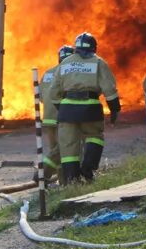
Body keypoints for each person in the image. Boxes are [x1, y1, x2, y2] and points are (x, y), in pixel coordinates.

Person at [51, 32, 119, 184]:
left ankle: (72, 180)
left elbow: (53, 93)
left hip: (67, 111)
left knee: (68, 147)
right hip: (91, 110)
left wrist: (62, 108)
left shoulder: (65, 63)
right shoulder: (98, 62)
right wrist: (114, 109)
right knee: (95, 136)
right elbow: (109, 88)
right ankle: (87, 169)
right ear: (94, 48)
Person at [37, 45, 74, 180]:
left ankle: (60, 179)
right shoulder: (69, 73)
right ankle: (49, 175)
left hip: (48, 118)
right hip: (62, 117)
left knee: (54, 148)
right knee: (63, 150)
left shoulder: (47, 73)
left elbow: (40, 97)